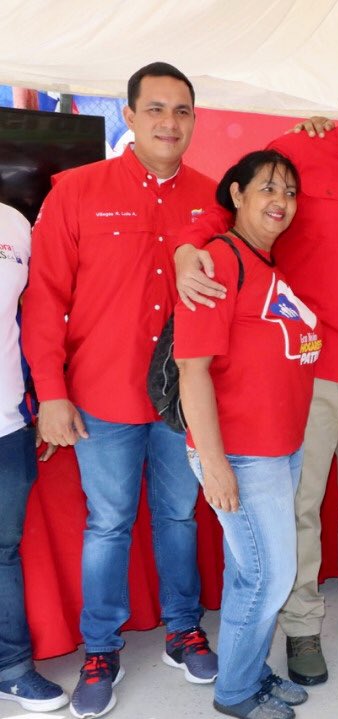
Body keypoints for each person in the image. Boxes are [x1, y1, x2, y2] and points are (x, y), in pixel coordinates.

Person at [175, 54, 338, 684]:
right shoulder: (299, 149)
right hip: (309, 364)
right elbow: (232, 202)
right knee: (301, 503)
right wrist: (188, 247)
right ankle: (301, 624)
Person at [23, 61, 219, 719]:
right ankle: (100, 649)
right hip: (101, 397)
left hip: (182, 399)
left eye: (183, 110)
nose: (170, 122)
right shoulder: (76, 190)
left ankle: (182, 628)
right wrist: (50, 392)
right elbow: (45, 299)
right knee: (107, 524)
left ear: (195, 119)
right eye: (157, 109)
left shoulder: (212, 197)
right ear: (129, 116)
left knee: (179, 517)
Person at [176, 151, 320, 719]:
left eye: (289, 189)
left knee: (249, 572)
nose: (279, 200)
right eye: (266, 188)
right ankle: (234, 692)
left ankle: (249, 669)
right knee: (270, 574)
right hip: (239, 453)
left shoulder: (264, 264)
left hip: (279, 449)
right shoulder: (218, 262)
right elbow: (193, 370)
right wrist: (215, 466)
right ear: (236, 194)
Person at [0, 201, 68, 713]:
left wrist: (43, 398)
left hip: (5, 422)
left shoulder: (14, 223)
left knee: (2, 550)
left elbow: (36, 314)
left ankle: (13, 669)